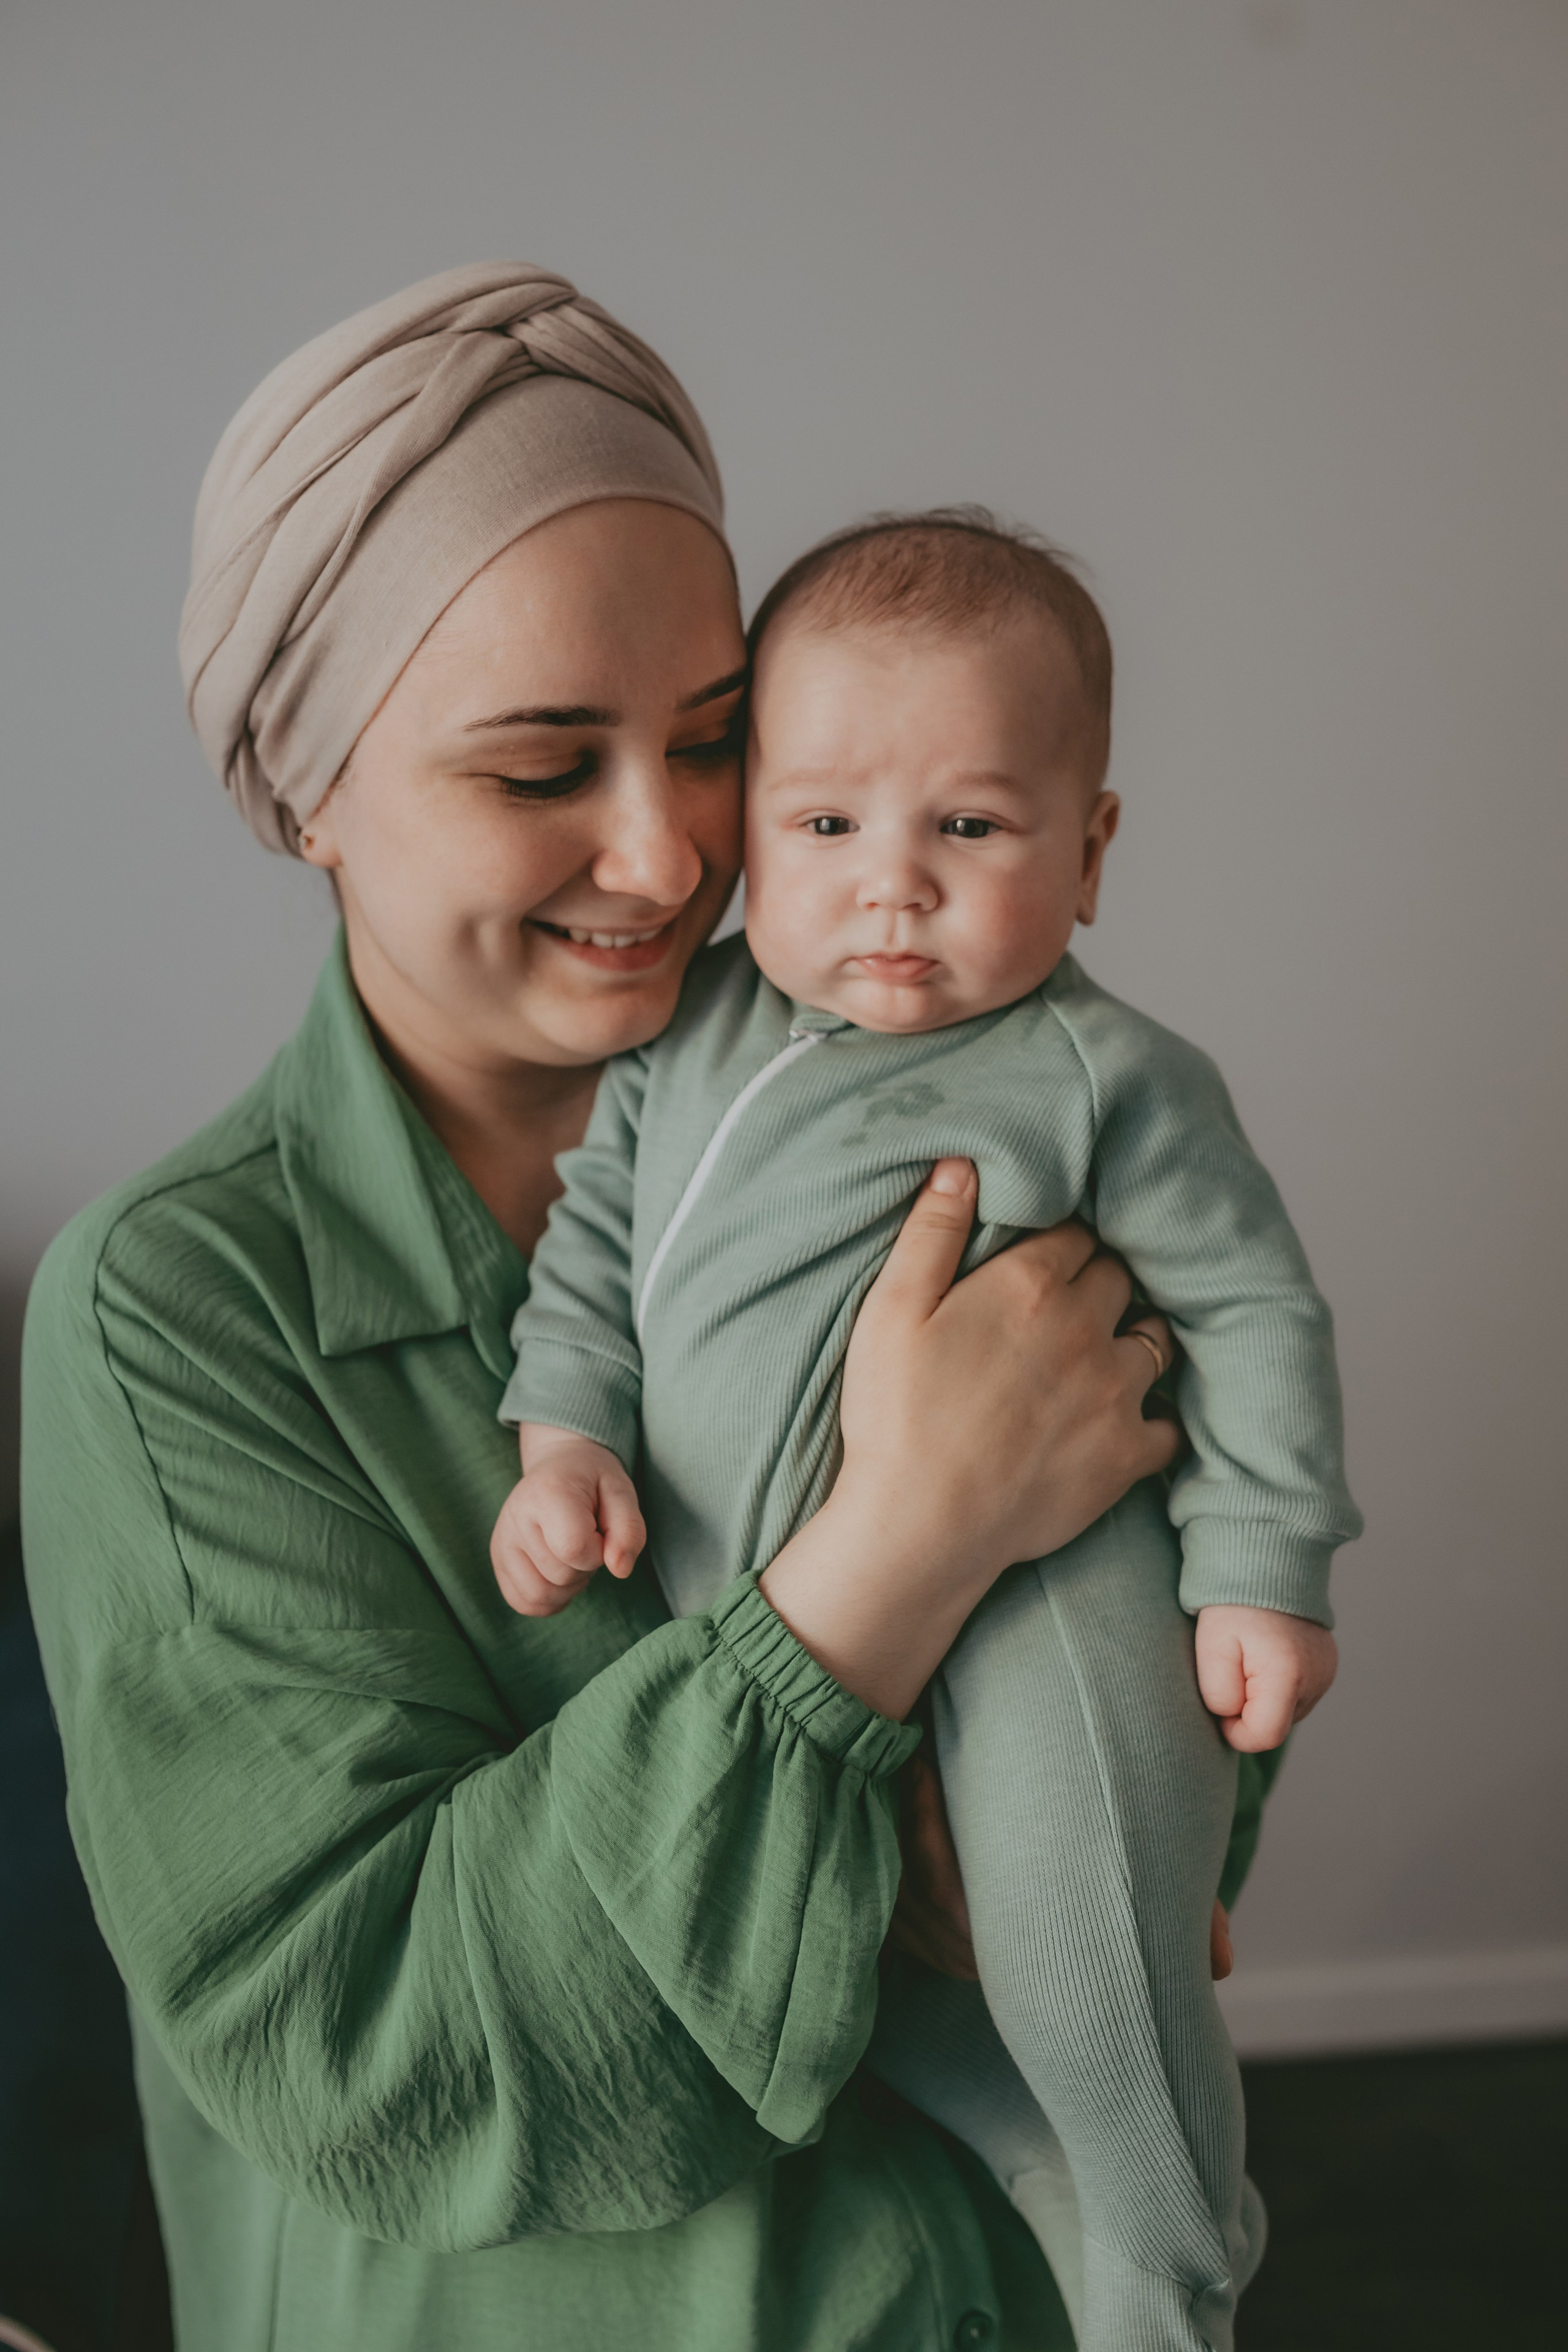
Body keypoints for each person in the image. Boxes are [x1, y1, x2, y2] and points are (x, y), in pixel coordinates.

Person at [22, 263, 1262, 2352]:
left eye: (711, 742)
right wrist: (892, 1563)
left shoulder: (942, 1086)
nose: (672, 855)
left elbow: (1183, 1596)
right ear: (310, 789)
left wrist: (1113, 1803)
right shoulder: (173, 1313)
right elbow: (382, 2053)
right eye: (539, 771)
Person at [493, 513, 1360, 2351]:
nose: (891, 887)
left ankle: (1172, 2272)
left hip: (1053, 1604)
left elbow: (1252, 1308)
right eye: (825, 826)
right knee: (907, 2000)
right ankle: (1087, 2204)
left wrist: (1262, 1567)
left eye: (967, 828)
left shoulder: (1103, 1074)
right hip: (787, 1609)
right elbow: (593, 1253)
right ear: (750, 833)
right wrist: (562, 1434)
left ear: (1089, 851)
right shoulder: (689, 1033)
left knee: (1079, 1957)